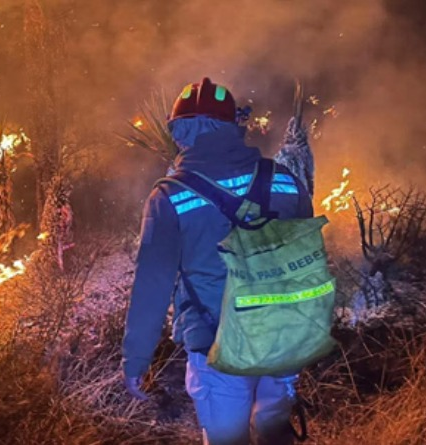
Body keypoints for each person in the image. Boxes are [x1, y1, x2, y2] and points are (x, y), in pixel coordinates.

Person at [122, 78, 314, 445]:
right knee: (275, 435)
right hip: (283, 340)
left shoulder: (169, 197)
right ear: (234, 125)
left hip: (218, 348)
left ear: (178, 130)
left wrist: (136, 361)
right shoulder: (287, 181)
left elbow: (152, 285)